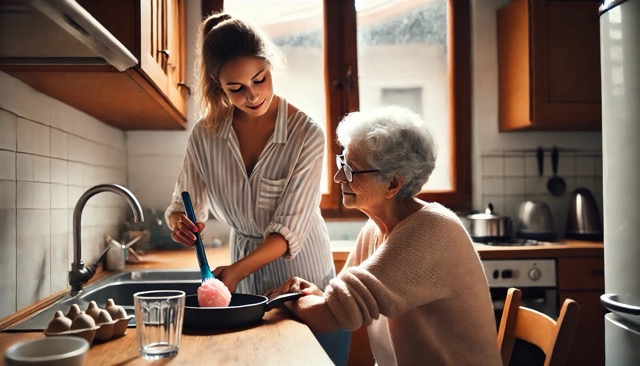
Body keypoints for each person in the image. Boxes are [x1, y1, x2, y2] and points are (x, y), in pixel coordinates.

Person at [164, 12, 349, 364]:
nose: (252, 95)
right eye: (236, 88)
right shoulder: (205, 136)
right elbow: (183, 204)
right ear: (219, 86)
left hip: (303, 277)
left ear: (270, 65)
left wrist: (234, 272)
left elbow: (288, 231)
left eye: (259, 79)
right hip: (244, 285)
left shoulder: (306, 134)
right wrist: (179, 224)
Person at [267, 105, 502, 365]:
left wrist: (287, 300)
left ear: (393, 184)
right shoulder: (375, 230)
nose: (337, 177)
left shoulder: (431, 231)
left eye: (351, 170)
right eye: (341, 162)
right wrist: (313, 297)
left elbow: (329, 316)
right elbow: (342, 307)